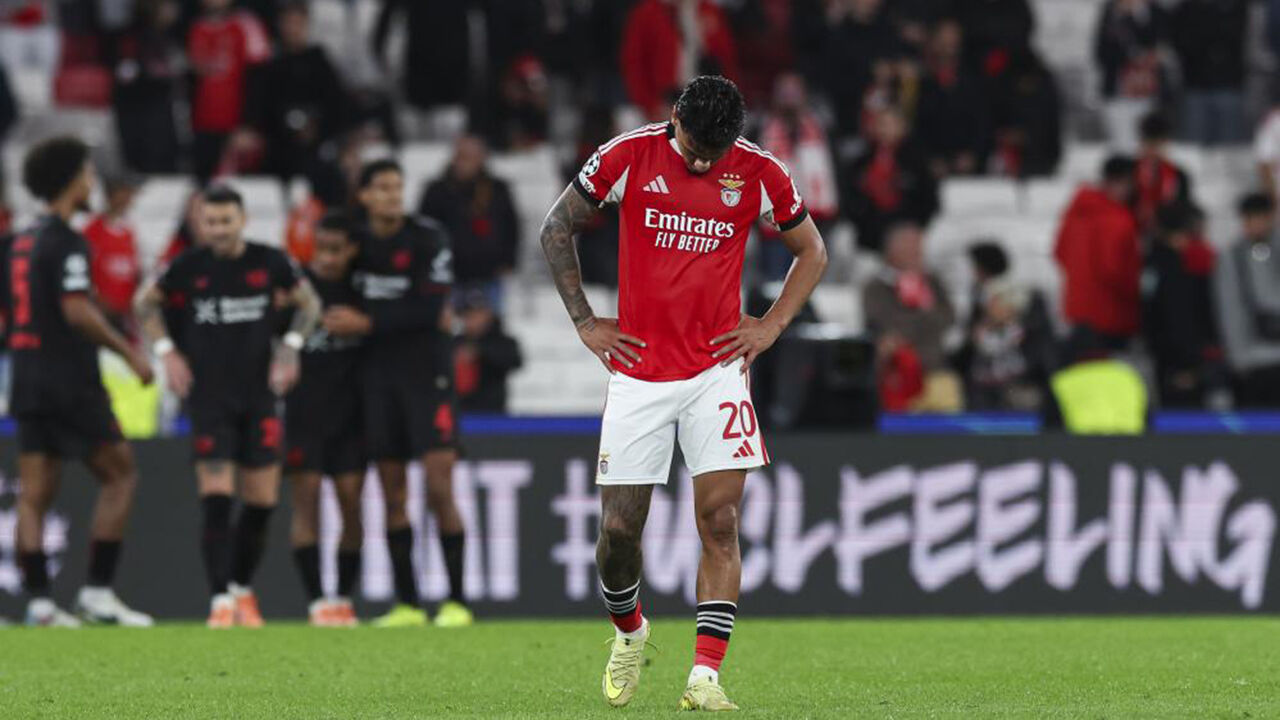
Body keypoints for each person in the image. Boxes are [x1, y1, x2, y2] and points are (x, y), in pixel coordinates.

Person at [540, 76, 827, 710]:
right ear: (674, 118)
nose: (702, 161)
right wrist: (587, 322)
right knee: (619, 531)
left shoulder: (759, 172)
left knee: (720, 522)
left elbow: (811, 250)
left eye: (714, 153)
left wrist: (772, 323)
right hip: (640, 372)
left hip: (717, 370)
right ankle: (630, 632)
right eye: (695, 148)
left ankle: (705, 676)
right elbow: (556, 228)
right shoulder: (628, 155)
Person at [133, 184, 321, 628]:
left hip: (259, 395)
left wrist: (291, 347)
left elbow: (309, 304)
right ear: (201, 223)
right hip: (209, 397)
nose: (217, 230)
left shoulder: (269, 262)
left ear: (242, 221)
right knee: (216, 498)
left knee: (261, 503)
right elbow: (144, 302)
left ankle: (239, 587)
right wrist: (166, 352)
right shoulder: (187, 266)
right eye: (210, 221)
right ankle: (219, 600)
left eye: (225, 221)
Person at [8, 136, 155, 627]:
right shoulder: (69, 241)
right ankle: (96, 593)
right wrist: (129, 352)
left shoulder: (17, 243)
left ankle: (42, 604)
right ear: (71, 178)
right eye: (88, 173)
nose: (92, 181)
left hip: (25, 378)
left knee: (34, 495)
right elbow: (76, 311)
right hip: (69, 378)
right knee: (121, 474)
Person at [321, 159, 472, 629]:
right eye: (381, 187)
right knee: (392, 494)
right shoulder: (354, 242)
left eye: (397, 186)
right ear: (363, 195)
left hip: (428, 377)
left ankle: (457, 602)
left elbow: (431, 308)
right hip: (376, 379)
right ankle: (407, 604)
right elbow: (330, 287)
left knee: (440, 488)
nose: (392, 195)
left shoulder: (428, 238)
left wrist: (368, 322)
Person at [283, 210, 364, 627]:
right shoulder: (296, 290)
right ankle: (317, 602)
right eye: (321, 249)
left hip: (350, 413)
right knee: (307, 502)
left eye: (336, 250)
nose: (327, 259)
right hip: (303, 412)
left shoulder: (359, 291)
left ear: (351, 250)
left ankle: (343, 599)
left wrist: (364, 326)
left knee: (351, 507)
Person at [243, 1, 346, 192]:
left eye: (298, 23)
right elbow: (260, 110)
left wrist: (315, 128)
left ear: (307, 25)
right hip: (278, 150)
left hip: (316, 148)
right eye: (288, 23)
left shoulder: (321, 63)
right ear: (280, 26)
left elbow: (336, 106)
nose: (293, 30)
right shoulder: (270, 67)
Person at [863, 222, 960, 412]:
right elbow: (885, 323)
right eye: (911, 247)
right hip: (899, 376)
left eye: (919, 247)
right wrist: (917, 312)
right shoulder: (876, 287)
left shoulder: (932, 282)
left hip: (936, 372)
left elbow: (948, 318)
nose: (918, 253)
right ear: (892, 250)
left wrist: (924, 304)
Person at [418, 135, 519, 310]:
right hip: (448, 276)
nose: (463, 163)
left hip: (489, 275)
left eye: (469, 157)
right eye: (460, 156)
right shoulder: (436, 190)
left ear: (481, 159)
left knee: (491, 330)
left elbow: (512, 226)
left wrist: (509, 260)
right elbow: (424, 229)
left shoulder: (497, 189)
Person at [1055, 156, 1142, 354]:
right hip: (1111, 314)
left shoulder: (1076, 210)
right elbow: (1114, 270)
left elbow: (1059, 252)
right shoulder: (1118, 219)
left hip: (1077, 310)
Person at [1142, 203, 1222, 408]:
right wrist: (1187, 365)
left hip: (1164, 357)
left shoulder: (1152, 264)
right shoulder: (1173, 269)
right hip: (1180, 363)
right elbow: (1178, 317)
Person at [187, 0, 271, 181]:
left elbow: (260, 79)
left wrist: (249, 124)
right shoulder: (194, 26)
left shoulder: (247, 25)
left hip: (236, 129)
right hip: (202, 126)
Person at [620, 0, 741, 121]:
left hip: (704, 98)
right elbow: (634, 64)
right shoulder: (649, 12)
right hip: (664, 100)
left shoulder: (707, 11)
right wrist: (650, 105)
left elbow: (726, 58)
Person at [842, 106, 938, 252]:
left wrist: (912, 227)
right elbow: (850, 199)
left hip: (906, 230)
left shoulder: (917, 162)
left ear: (903, 127)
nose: (884, 130)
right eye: (880, 124)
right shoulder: (860, 163)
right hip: (869, 232)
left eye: (890, 124)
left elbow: (929, 201)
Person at [1214, 193, 1280, 407]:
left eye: (1260, 218)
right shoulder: (1232, 257)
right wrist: (1237, 357)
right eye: (1250, 219)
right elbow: (1228, 308)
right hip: (1253, 358)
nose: (1255, 224)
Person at [1093, 0, 1171, 152]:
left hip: (1150, 92)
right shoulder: (1111, 13)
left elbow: (1165, 44)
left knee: (1150, 144)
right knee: (1122, 145)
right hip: (1119, 93)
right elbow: (1101, 53)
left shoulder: (1157, 13)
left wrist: (1153, 56)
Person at [1171, 0, 1247, 146]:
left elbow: (1235, 37)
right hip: (1195, 85)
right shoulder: (1185, 8)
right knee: (1192, 149)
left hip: (1229, 85)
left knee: (1229, 149)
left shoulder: (1236, 6)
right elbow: (1182, 43)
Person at [83, 174, 142, 335]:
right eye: (124, 193)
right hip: (100, 315)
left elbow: (133, 272)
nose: (129, 199)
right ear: (111, 195)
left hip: (124, 317)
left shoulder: (129, 233)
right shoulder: (91, 230)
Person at [454, 291, 523, 413]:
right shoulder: (456, 342)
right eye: (468, 315)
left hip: (492, 411)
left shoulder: (502, 340)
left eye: (477, 314)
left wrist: (480, 352)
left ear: (488, 314)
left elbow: (515, 361)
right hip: (460, 411)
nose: (473, 320)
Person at [1133, 112, 1192, 234]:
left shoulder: (1178, 175)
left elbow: (1184, 208)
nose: (1153, 150)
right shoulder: (1130, 171)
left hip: (1165, 235)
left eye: (1158, 144)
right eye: (1150, 144)